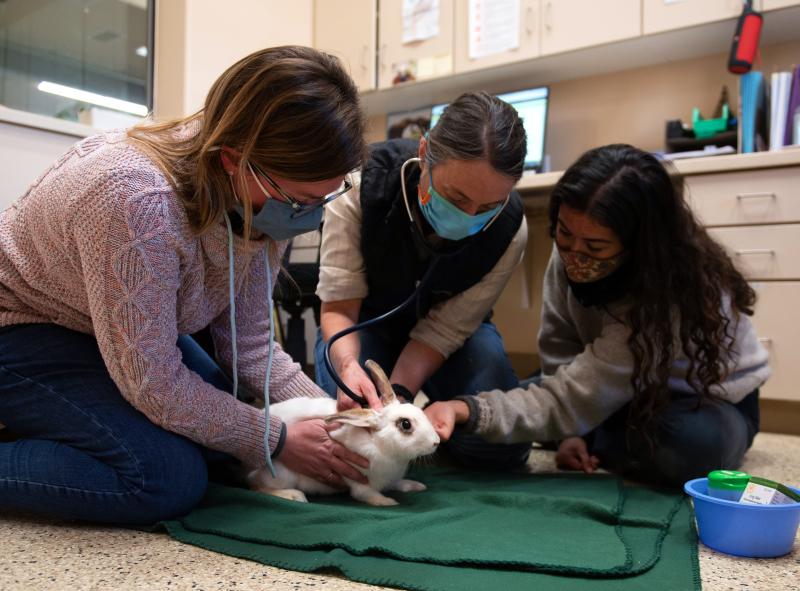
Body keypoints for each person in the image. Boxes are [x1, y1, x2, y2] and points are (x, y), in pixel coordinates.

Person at [0, 46, 371, 525]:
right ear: (236, 161)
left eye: (323, 199)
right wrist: (276, 438)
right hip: (19, 328)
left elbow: (251, 347)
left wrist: (328, 415)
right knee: (164, 478)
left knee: (220, 443)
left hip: (95, 329)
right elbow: (153, 383)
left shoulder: (262, 198)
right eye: (301, 201)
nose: (310, 217)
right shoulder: (136, 200)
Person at [425, 144, 770, 486]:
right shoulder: (574, 252)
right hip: (612, 382)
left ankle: (596, 429)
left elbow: (569, 395)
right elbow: (561, 355)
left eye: (595, 248)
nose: (574, 256)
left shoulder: (667, 287)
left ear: (638, 246)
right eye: (564, 234)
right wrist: (567, 432)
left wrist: (467, 409)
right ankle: (590, 423)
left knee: (692, 448)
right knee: (512, 405)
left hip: (704, 399)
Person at [314, 91, 531, 471]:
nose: (468, 217)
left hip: (453, 339)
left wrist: (398, 398)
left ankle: (438, 424)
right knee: (348, 430)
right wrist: (349, 365)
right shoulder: (360, 187)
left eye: (487, 207)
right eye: (456, 196)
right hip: (364, 324)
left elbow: (443, 332)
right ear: (425, 150)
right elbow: (339, 308)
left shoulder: (511, 230)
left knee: (501, 449)